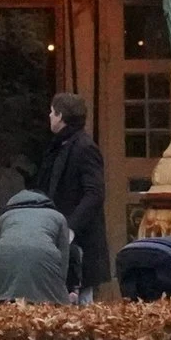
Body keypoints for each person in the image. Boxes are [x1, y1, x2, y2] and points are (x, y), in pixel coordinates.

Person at [32, 93, 109, 300]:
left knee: (81, 303)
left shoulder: (84, 148)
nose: (49, 116)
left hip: (80, 243)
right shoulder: (59, 147)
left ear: (60, 116)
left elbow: (94, 193)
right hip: (61, 238)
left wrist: (69, 227)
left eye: (52, 111)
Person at [0, 187, 71, 304]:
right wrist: (60, 286)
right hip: (45, 264)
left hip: (5, 275)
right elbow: (64, 257)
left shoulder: (4, 218)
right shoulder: (58, 217)